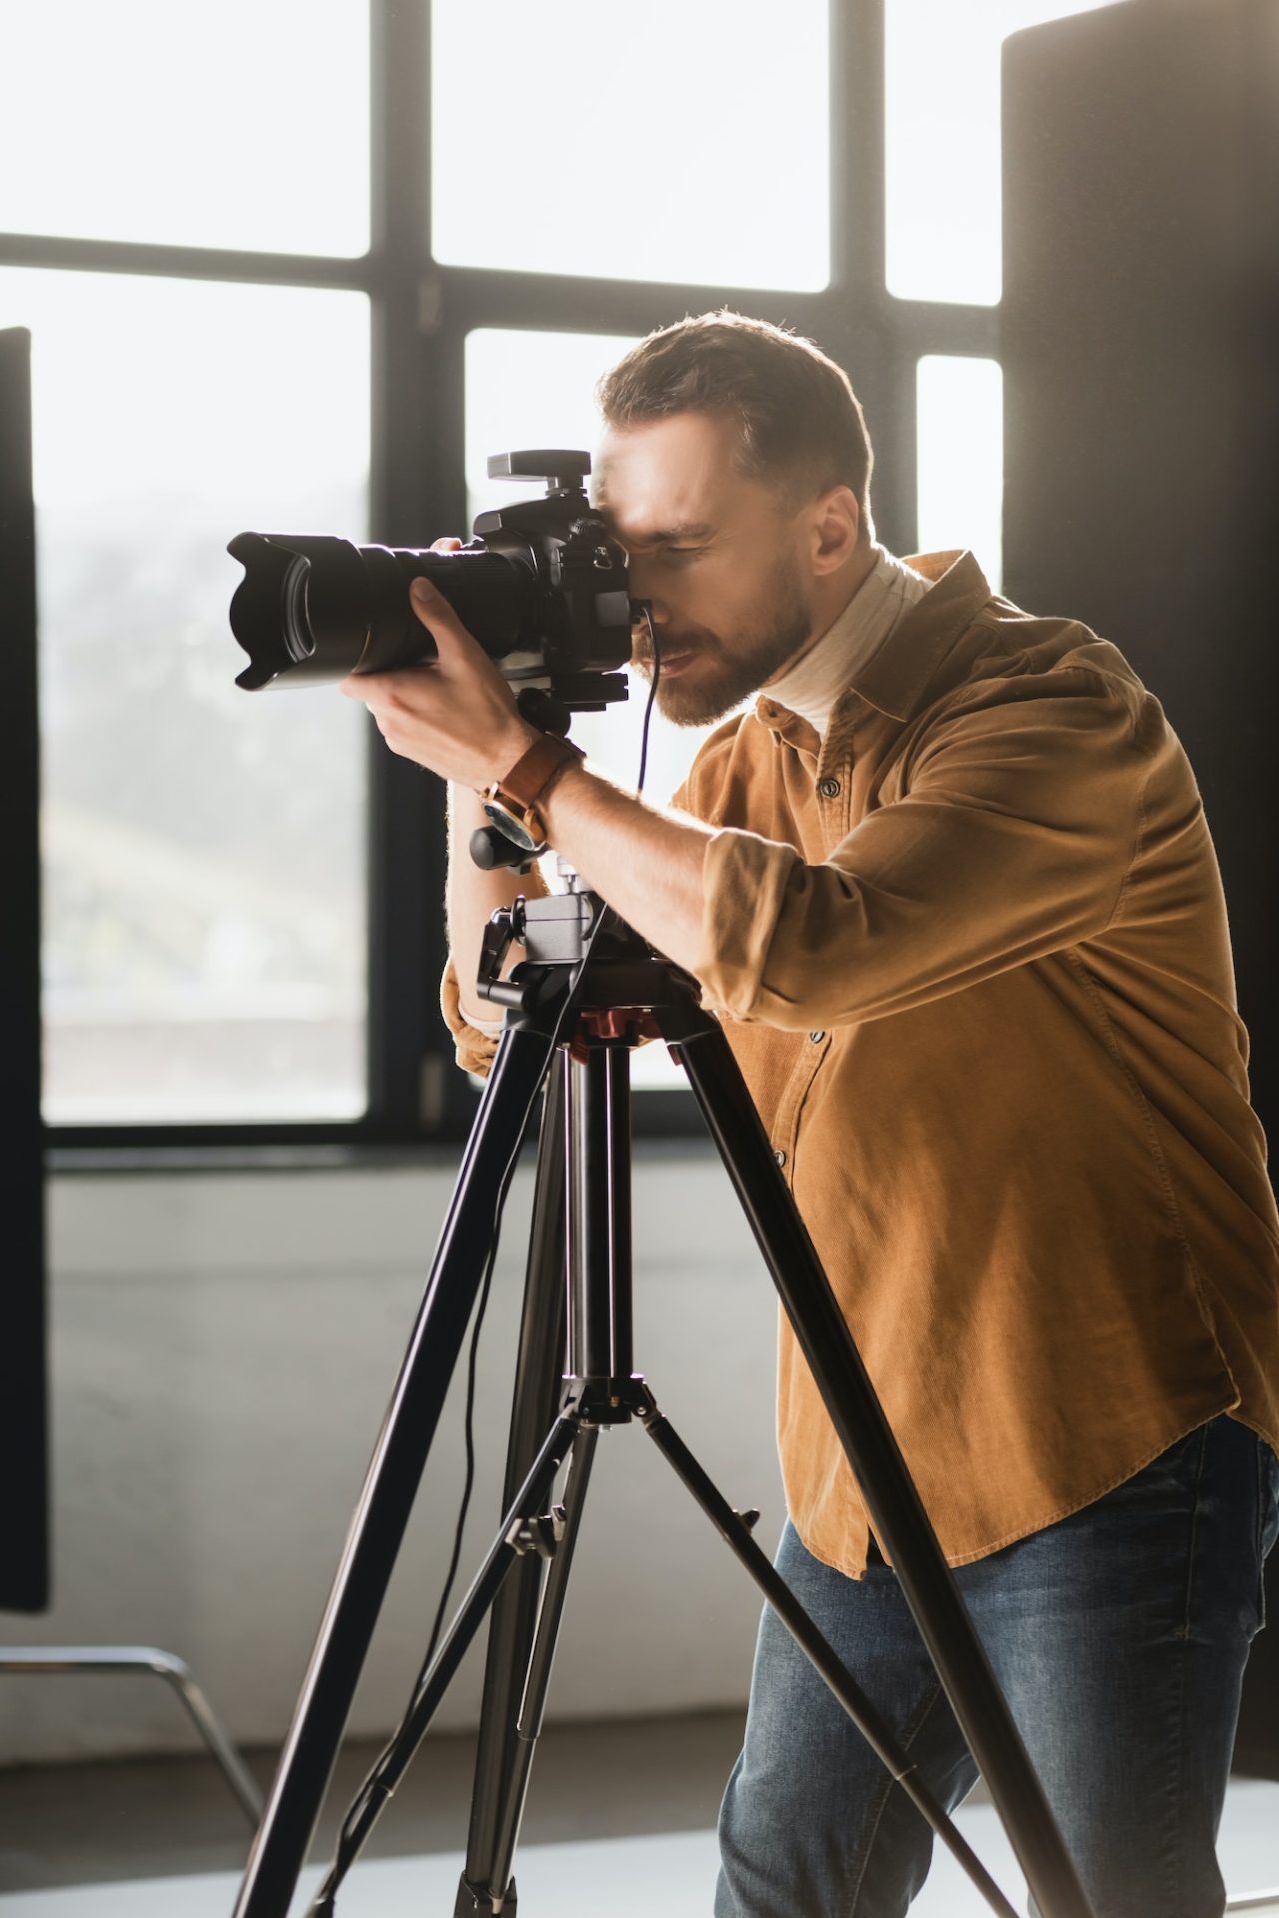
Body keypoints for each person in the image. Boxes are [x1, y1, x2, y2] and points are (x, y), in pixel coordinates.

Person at [341, 311, 1279, 1918]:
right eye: (621, 554)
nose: (641, 603)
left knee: (1109, 1901)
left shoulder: (1051, 711)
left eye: (682, 548)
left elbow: (820, 943)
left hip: (1108, 1440)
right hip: (860, 1448)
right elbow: (504, 1022)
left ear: (830, 527)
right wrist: (476, 779)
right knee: (784, 1892)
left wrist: (535, 773)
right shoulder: (744, 765)